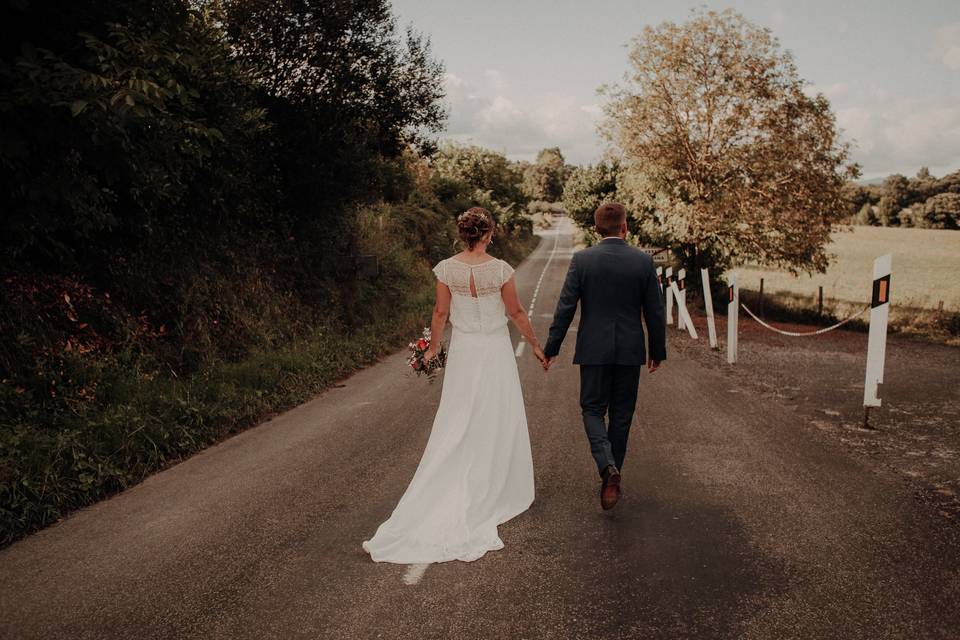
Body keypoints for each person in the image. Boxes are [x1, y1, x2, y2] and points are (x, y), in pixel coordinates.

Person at [362, 207, 546, 563]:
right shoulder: (501, 270)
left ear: (463, 234)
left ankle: (457, 475)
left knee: (459, 416)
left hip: (465, 350)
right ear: (489, 233)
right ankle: (494, 482)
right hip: (493, 350)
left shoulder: (447, 269)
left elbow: (440, 313)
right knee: (495, 414)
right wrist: (536, 345)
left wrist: (432, 350)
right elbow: (517, 313)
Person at [542, 202, 666, 510]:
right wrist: (657, 351)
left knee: (592, 410)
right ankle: (613, 474)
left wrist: (551, 348)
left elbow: (566, 307)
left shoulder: (583, 260)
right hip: (630, 350)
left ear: (596, 230)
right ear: (625, 227)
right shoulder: (642, 261)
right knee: (622, 415)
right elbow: (655, 310)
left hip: (593, 350)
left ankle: (607, 466)